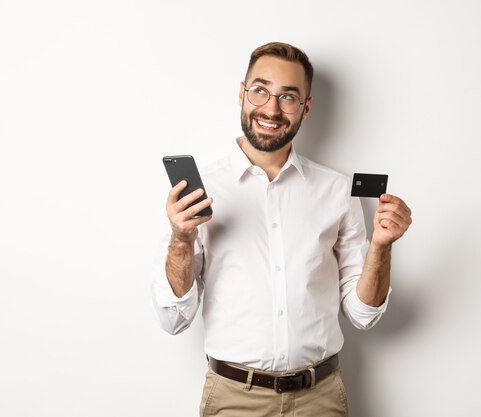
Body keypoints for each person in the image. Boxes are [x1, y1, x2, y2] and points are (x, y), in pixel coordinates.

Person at [151, 42, 412, 417]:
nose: (271, 109)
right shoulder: (199, 191)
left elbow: (363, 315)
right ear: (241, 93)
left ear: (306, 108)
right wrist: (180, 240)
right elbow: (173, 319)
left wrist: (382, 246)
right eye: (260, 90)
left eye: (287, 97)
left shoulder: (337, 191)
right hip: (234, 400)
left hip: (319, 399)